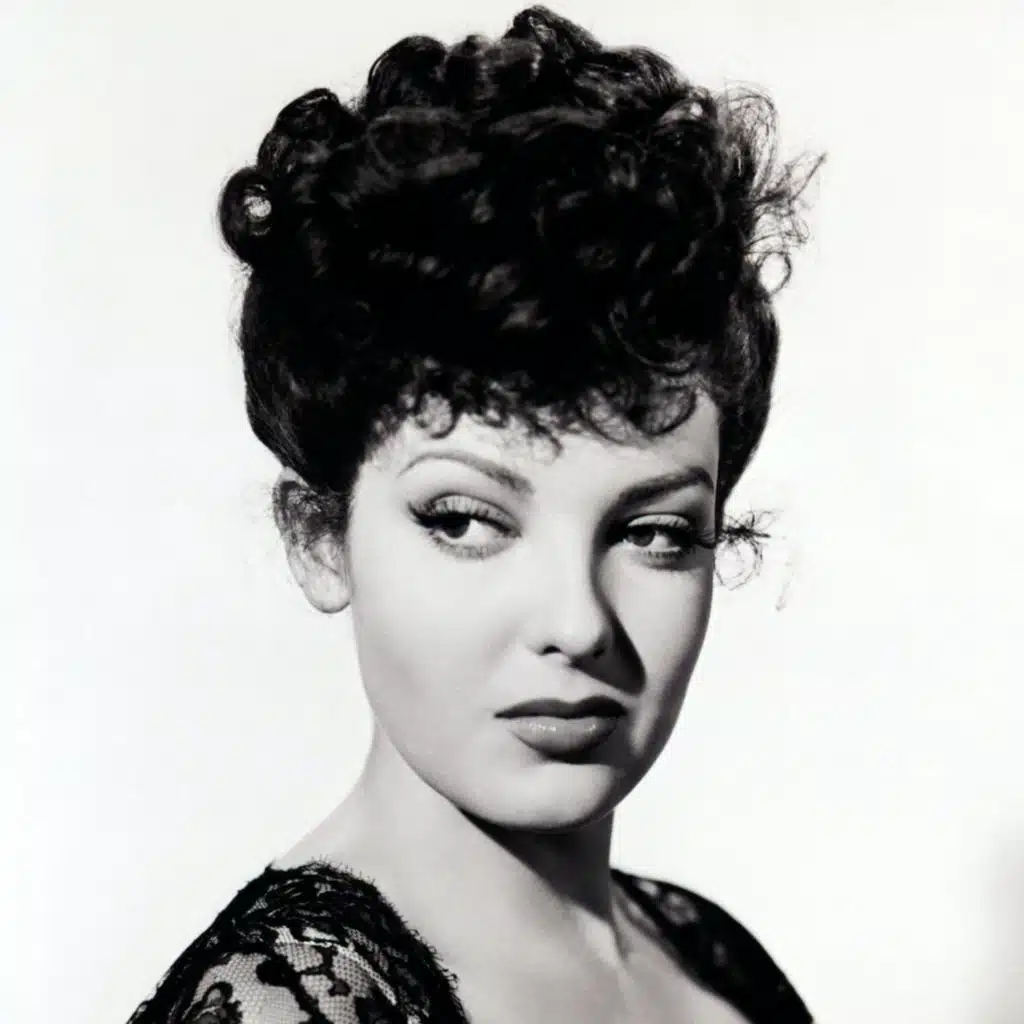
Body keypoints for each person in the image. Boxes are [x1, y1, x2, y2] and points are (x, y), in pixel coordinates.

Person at [127, 6, 821, 1022]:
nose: (576, 623)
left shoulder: (711, 956)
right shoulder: (288, 1007)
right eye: (464, 520)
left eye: (655, 533)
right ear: (320, 539)